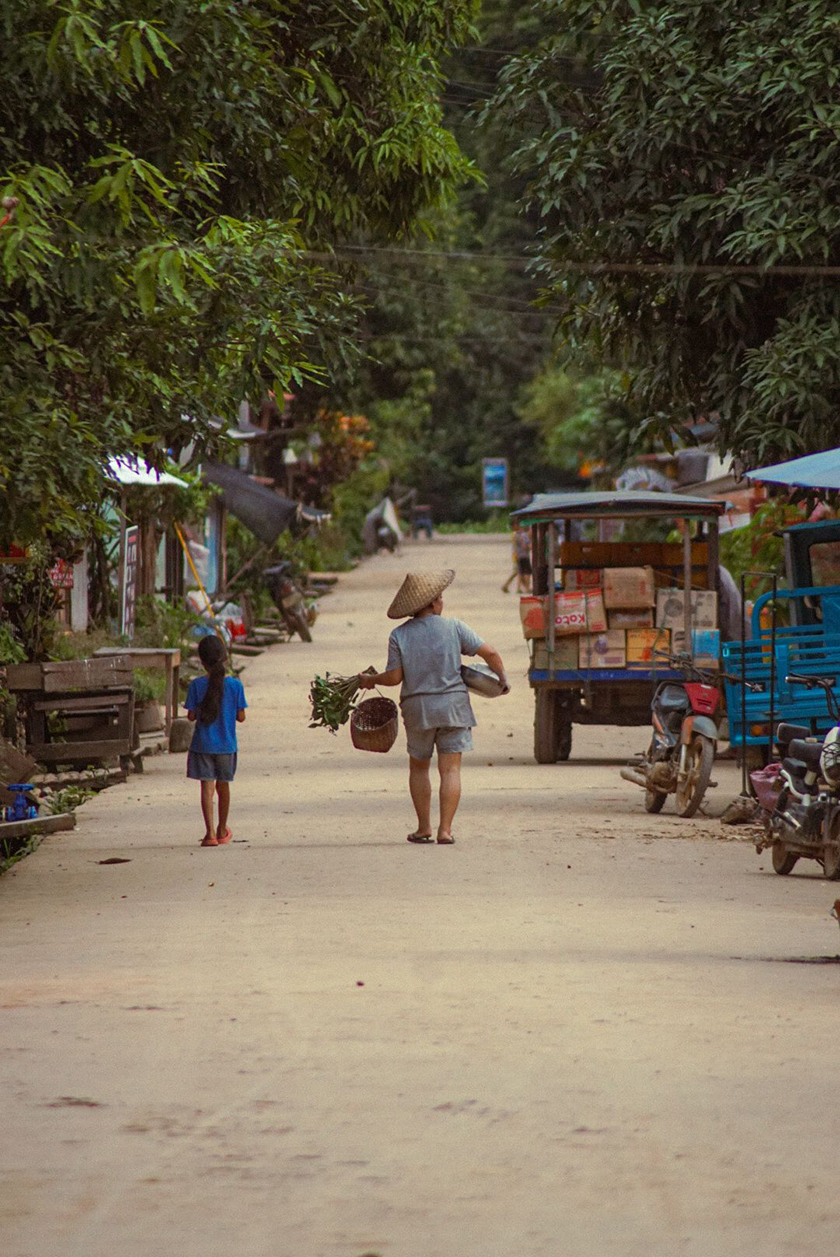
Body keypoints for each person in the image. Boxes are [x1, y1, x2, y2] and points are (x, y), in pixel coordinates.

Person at [358, 569, 509, 845]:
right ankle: (445, 830)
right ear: (430, 603)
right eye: (439, 598)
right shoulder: (455, 627)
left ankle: (423, 828)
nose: (442, 602)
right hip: (453, 707)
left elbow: (393, 678)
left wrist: (371, 680)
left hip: (418, 710)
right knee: (450, 770)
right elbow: (491, 653)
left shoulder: (399, 635)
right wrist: (502, 679)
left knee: (419, 768)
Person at [185, 634, 247, 847]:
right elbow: (241, 716)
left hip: (202, 745)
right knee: (224, 786)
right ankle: (222, 829)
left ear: (202, 663)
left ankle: (209, 833)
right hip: (226, 746)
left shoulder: (196, 686)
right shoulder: (235, 686)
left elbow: (191, 716)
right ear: (225, 659)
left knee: (207, 788)